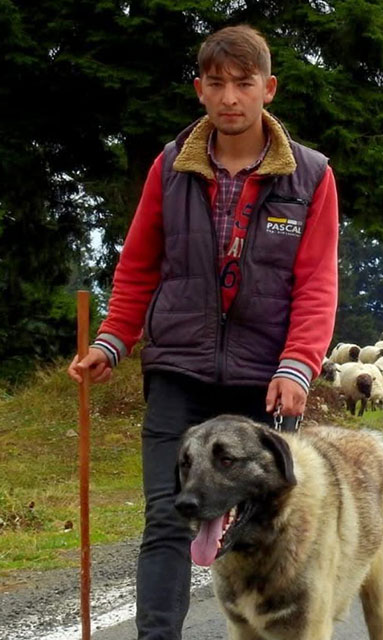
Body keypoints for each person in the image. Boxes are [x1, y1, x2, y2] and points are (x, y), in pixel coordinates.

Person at [65, 25, 339, 640]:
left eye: (243, 84)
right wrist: (112, 341)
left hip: (262, 382)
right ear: (200, 90)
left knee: (266, 526)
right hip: (177, 373)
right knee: (166, 518)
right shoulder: (170, 168)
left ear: (268, 89)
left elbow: (317, 284)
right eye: (216, 84)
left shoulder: (311, 177)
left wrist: (298, 365)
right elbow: (138, 268)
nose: (230, 98)